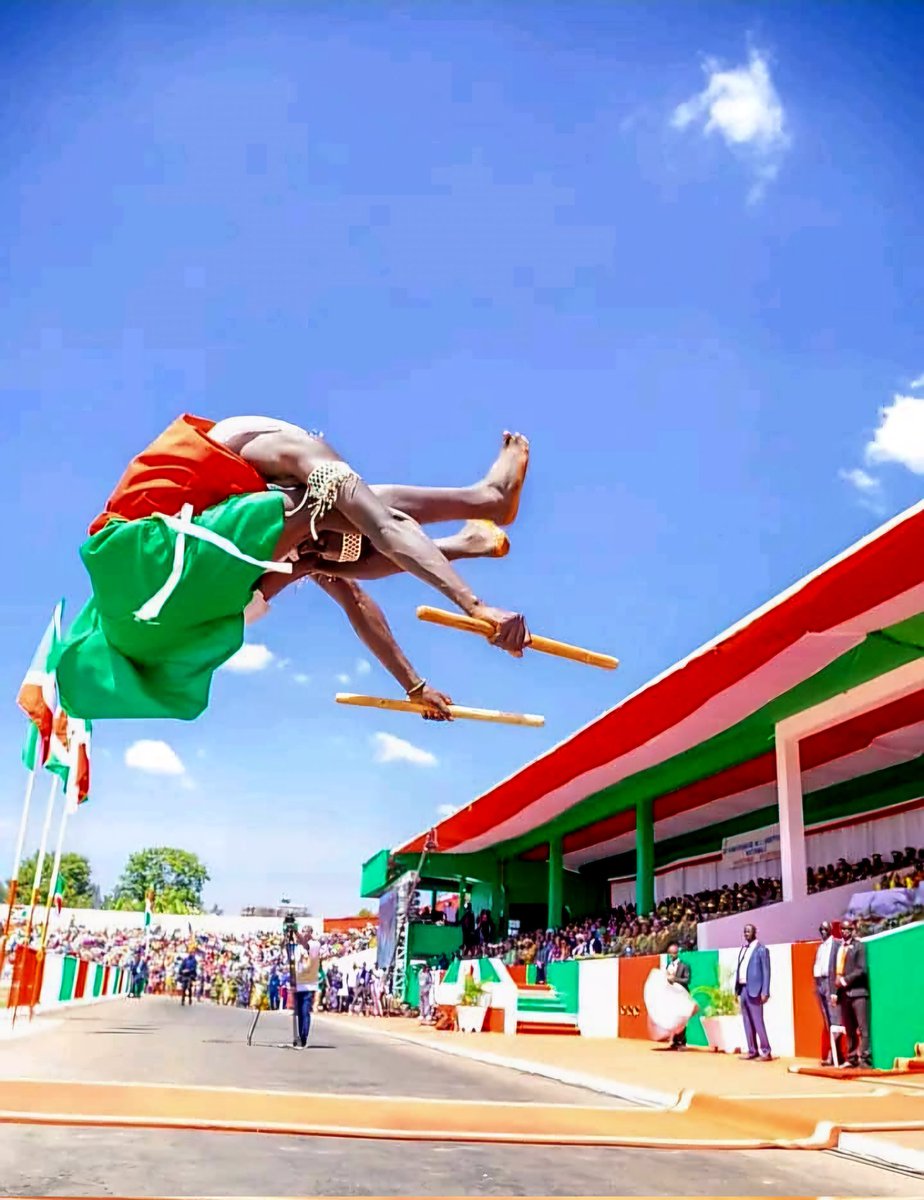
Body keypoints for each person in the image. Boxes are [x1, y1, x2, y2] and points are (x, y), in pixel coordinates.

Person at [55, 415, 532, 723]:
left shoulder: (256, 524)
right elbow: (385, 523)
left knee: (323, 556)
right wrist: (475, 605)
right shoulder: (290, 460)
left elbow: (355, 596)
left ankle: (468, 537)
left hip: (154, 624)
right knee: (338, 526)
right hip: (155, 573)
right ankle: (486, 501)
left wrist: (414, 685)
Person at [833, 921, 871, 1068]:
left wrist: (844, 981)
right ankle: (852, 1057)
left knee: (863, 1028)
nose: (845, 931)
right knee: (849, 1029)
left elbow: (861, 970)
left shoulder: (859, 946)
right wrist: (836, 992)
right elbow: (837, 971)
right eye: (843, 929)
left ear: (853, 930)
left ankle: (865, 1059)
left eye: (848, 929)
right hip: (844, 995)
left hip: (858, 993)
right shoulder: (839, 948)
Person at [734, 923, 772, 1061]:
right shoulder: (743, 949)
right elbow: (739, 969)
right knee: (747, 1022)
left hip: (755, 990)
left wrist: (765, 991)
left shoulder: (761, 949)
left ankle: (766, 1051)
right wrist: (736, 989)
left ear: (755, 932)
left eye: (748, 931)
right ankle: (752, 1050)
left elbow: (766, 971)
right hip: (743, 988)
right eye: (744, 931)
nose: (746, 933)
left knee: (757, 1021)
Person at [812, 921, 841, 1065]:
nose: (822, 932)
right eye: (820, 929)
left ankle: (834, 1055)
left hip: (830, 984)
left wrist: (835, 989)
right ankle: (833, 1054)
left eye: (825, 929)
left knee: (835, 1019)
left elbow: (839, 966)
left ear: (830, 930)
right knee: (827, 1021)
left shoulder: (837, 944)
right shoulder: (820, 947)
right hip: (820, 984)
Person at [293, 927, 321, 1049]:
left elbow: (305, 944)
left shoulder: (315, 944)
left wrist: (294, 931)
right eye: (302, 930)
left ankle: (304, 1036)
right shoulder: (296, 948)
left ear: (310, 933)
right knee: (299, 1012)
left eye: (306, 931)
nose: (304, 933)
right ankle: (300, 1036)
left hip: (308, 983)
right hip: (298, 983)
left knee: (305, 1011)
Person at [664, 942, 691, 1050]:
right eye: (670, 953)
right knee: (674, 1019)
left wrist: (674, 979)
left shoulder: (684, 965)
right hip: (672, 995)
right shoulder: (668, 965)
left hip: (682, 995)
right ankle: (675, 1041)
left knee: (682, 1019)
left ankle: (682, 1042)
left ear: (677, 953)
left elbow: (687, 980)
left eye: (674, 953)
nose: (672, 955)